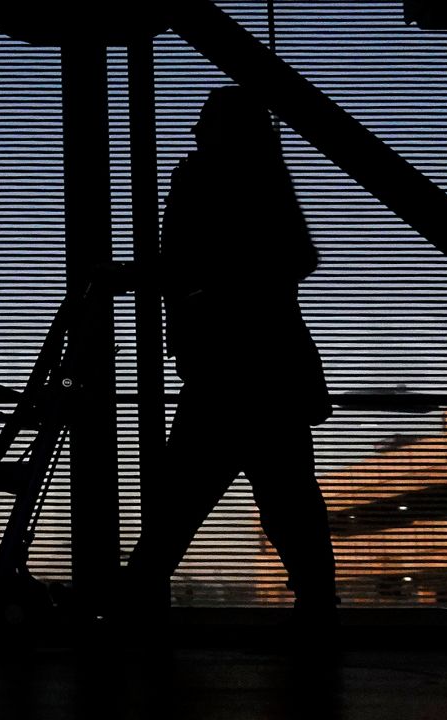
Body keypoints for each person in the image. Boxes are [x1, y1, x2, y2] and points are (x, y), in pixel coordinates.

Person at [125, 85, 338, 623]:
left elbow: (181, 261)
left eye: (205, 123)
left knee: (186, 496)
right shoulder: (266, 182)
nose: (194, 132)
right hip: (271, 368)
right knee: (284, 496)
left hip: (226, 366)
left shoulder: (204, 178)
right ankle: (317, 604)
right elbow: (294, 259)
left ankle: (129, 599)